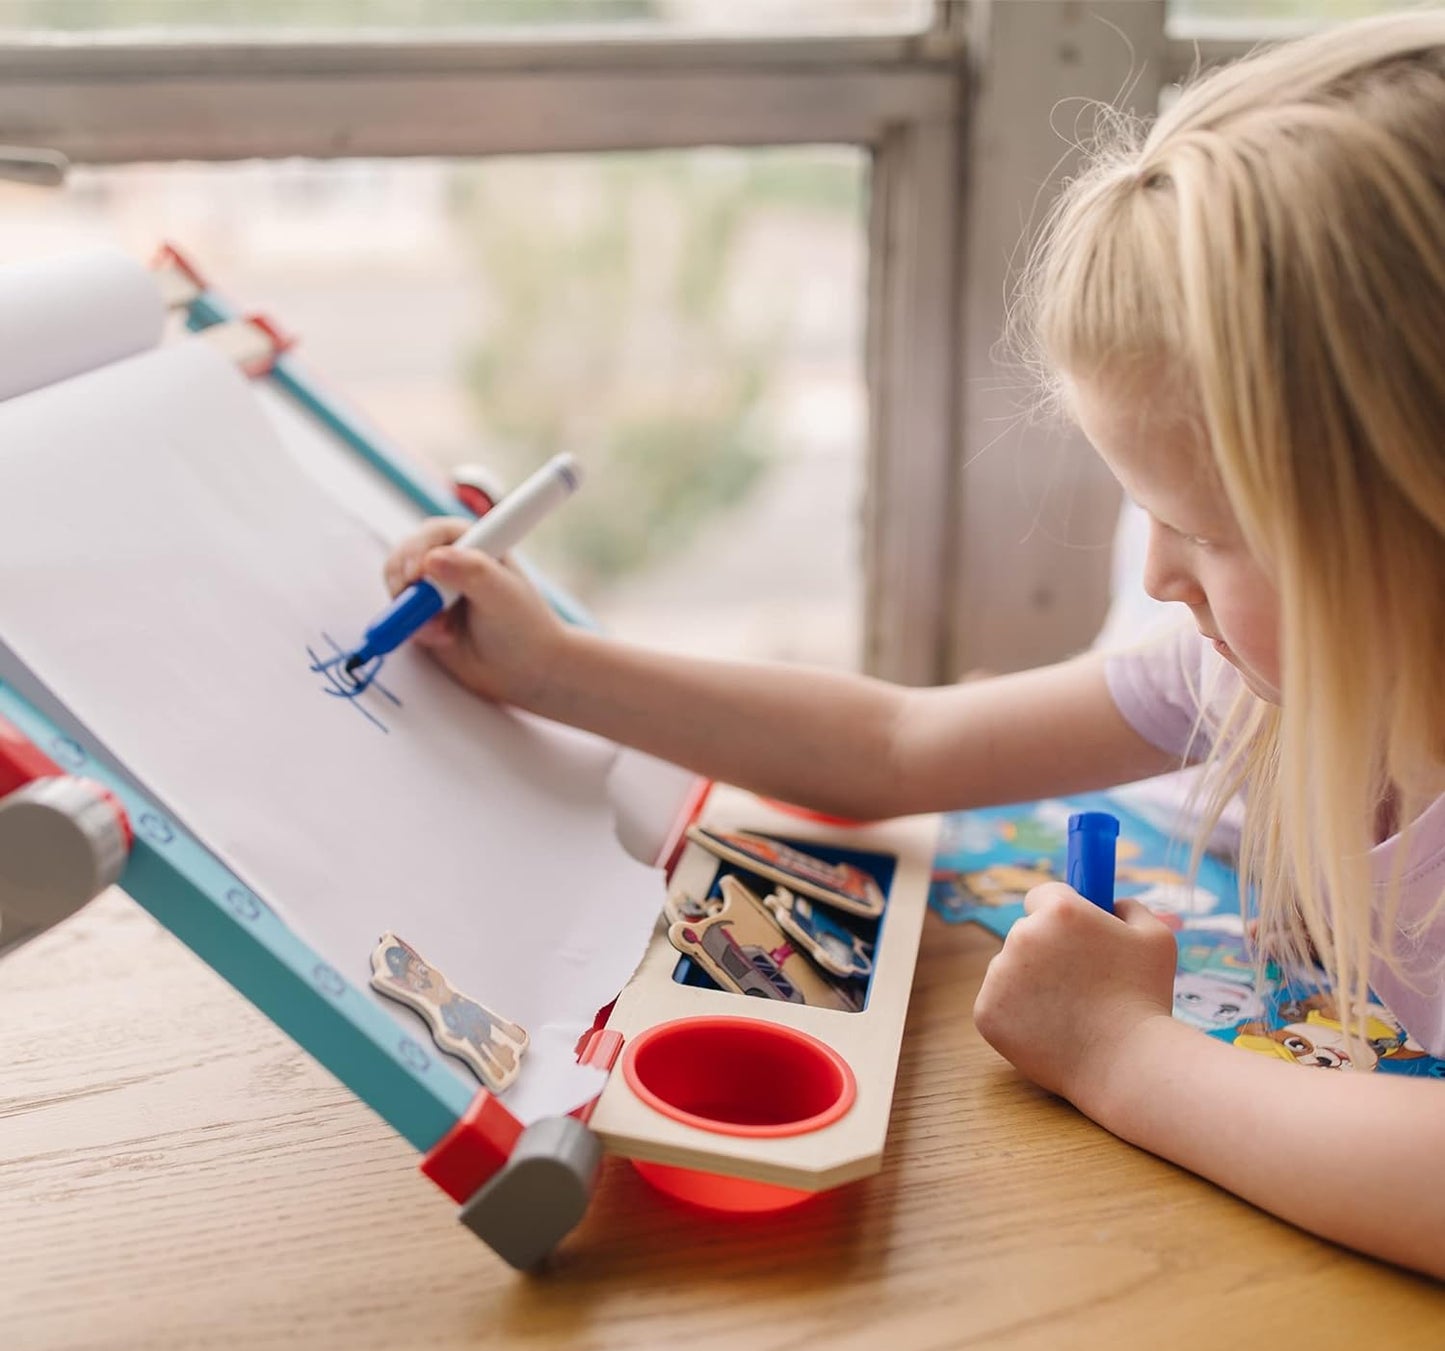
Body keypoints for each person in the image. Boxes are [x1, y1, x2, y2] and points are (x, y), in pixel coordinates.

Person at [383, 12, 1445, 1278]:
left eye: (1204, 532)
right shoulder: (1247, 679)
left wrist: (1116, 1050)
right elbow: (898, 744)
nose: (1157, 578)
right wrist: (555, 669)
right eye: (1143, 515)